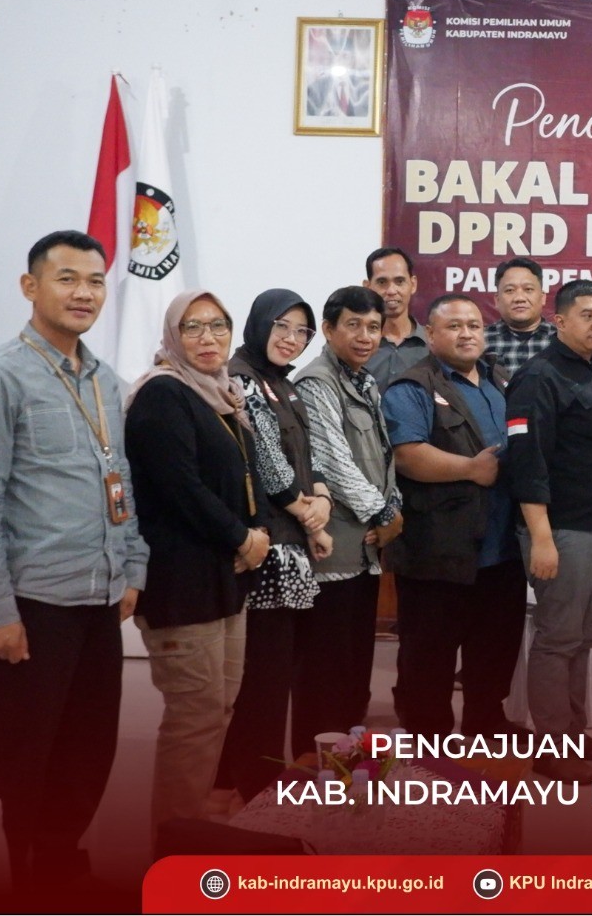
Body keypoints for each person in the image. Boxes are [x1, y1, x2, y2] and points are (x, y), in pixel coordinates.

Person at [0, 231, 146, 887]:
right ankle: (11, 878)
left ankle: (62, 861)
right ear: (30, 286)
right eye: (67, 278)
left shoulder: (106, 381)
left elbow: (123, 483)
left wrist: (133, 570)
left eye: (94, 280)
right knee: (23, 754)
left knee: (88, 748)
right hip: (32, 605)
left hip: (99, 598)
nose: (83, 293)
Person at [124, 290, 268, 830]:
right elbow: (181, 487)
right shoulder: (163, 393)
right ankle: (175, 840)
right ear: (172, 335)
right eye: (192, 327)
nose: (208, 338)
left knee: (217, 710)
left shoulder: (220, 396)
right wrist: (242, 538)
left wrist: (253, 534)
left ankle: (190, 825)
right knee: (194, 716)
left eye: (217, 326)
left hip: (222, 580)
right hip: (182, 584)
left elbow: (243, 478)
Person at [505, 279, 592, 783]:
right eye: (587, 315)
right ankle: (551, 745)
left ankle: (573, 732)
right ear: (559, 320)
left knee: (584, 638)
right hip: (562, 532)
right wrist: (540, 537)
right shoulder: (538, 377)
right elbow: (527, 462)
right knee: (558, 639)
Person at [382, 294, 524, 739]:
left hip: (501, 548)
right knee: (430, 654)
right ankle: (429, 736)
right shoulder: (412, 386)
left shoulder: (499, 378)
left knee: (495, 647)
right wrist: (469, 469)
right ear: (430, 333)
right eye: (455, 326)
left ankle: (486, 722)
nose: (467, 334)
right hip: (438, 550)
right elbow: (407, 455)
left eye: (474, 325)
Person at [215, 290, 333, 804]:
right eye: (282, 326)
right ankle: (254, 783)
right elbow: (265, 458)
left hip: (292, 542)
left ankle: (240, 777)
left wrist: (321, 500)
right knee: (262, 674)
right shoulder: (241, 377)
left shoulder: (284, 382)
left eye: (301, 331)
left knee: (277, 670)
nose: (291, 338)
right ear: (260, 323)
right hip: (266, 546)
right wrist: (306, 514)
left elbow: (308, 454)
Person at [292, 286, 403, 753]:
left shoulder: (364, 381)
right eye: (353, 325)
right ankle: (314, 764)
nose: (365, 336)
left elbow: (383, 458)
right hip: (333, 547)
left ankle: (349, 763)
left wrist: (392, 507)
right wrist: (384, 512)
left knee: (355, 665)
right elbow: (335, 464)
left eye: (373, 327)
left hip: (365, 549)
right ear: (328, 329)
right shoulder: (316, 382)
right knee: (326, 667)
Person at [363, 247, 429, 390]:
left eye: (399, 281)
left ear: (413, 284)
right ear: (367, 287)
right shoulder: (356, 345)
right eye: (382, 282)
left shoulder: (434, 346)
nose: (392, 291)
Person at [483, 256, 558, 380]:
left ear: (543, 297)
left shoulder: (561, 340)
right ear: (497, 300)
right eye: (510, 290)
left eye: (528, 289)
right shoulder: (480, 340)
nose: (519, 298)